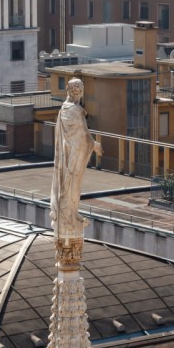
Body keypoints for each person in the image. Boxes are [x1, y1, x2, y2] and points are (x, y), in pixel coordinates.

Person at [50, 79, 102, 240]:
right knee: (71, 184)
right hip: (72, 157)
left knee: (71, 185)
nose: (78, 93)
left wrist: (90, 143)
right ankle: (68, 216)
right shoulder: (74, 111)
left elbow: (78, 135)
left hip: (68, 156)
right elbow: (83, 135)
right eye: (78, 91)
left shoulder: (64, 110)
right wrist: (94, 145)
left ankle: (70, 213)